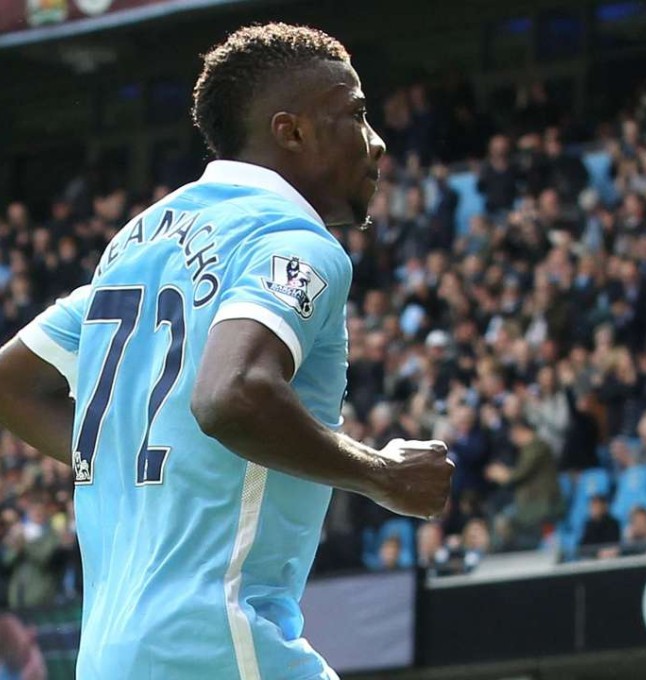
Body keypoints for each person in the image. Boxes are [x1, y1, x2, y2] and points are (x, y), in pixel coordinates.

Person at [0, 24, 454, 680]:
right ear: (290, 131)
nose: (376, 140)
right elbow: (232, 393)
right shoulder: (294, 241)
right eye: (354, 114)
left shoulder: (138, 242)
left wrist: (138, 453)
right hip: (218, 638)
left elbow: (10, 385)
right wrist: (382, 474)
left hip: (110, 656)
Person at [485, 419, 561, 550]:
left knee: (503, 521)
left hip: (541, 502)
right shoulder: (529, 448)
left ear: (520, 431)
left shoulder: (537, 446)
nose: (512, 440)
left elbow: (519, 474)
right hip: (531, 502)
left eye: (513, 435)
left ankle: (507, 554)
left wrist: (501, 474)